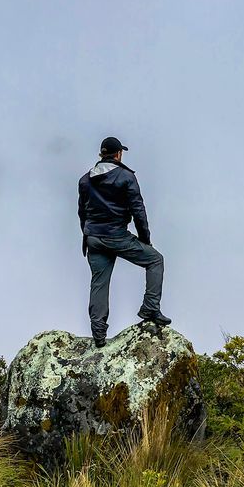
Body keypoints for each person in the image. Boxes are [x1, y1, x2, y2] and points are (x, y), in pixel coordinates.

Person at [78, 136, 168, 346]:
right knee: (155, 260)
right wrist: (145, 240)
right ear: (118, 154)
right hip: (116, 235)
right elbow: (139, 211)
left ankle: (99, 334)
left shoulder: (85, 180)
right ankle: (150, 308)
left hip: (93, 237)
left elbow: (82, 212)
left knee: (99, 283)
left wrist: (87, 234)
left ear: (102, 154)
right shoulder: (126, 177)